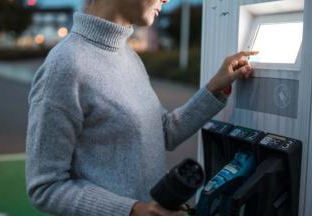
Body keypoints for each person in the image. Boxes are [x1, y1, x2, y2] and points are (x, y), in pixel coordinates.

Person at [25, 0, 257, 215]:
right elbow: (46, 187)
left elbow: (163, 131)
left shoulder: (129, 56)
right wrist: (133, 210)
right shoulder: (64, 66)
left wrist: (214, 88)